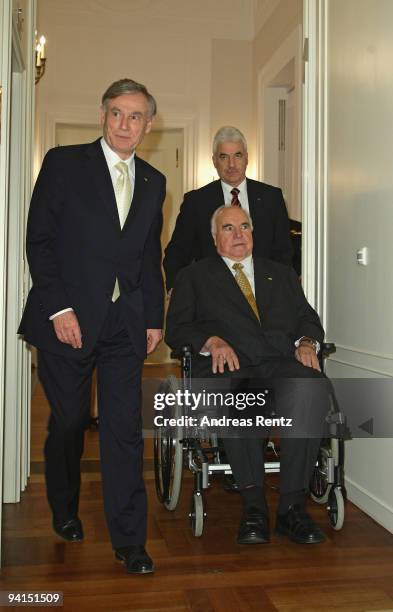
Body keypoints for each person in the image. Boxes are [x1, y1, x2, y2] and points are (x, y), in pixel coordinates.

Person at [18, 78, 165, 574]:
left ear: (148, 125)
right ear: (102, 115)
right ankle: (63, 507)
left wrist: (153, 317)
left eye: (136, 116)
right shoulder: (64, 163)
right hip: (68, 321)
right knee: (71, 422)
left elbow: (148, 254)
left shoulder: (153, 181)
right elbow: (38, 240)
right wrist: (59, 310)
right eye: (117, 113)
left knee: (123, 429)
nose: (126, 124)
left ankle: (129, 540)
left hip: (125, 324)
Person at [165, 206, 330, 545]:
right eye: (228, 228)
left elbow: (307, 319)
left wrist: (307, 342)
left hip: (279, 363)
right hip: (229, 367)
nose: (239, 234)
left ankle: (291, 510)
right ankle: (254, 507)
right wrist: (211, 341)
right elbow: (177, 329)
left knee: (311, 386)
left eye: (244, 226)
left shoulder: (281, 274)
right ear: (215, 239)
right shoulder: (194, 277)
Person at [163, 125, 292, 291]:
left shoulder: (271, 197)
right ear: (214, 161)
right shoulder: (196, 201)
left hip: (264, 293)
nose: (231, 164)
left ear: (246, 158)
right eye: (224, 157)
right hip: (212, 296)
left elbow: (284, 252)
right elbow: (176, 254)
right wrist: (179, 292)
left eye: (237, 155)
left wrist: (279, 291)